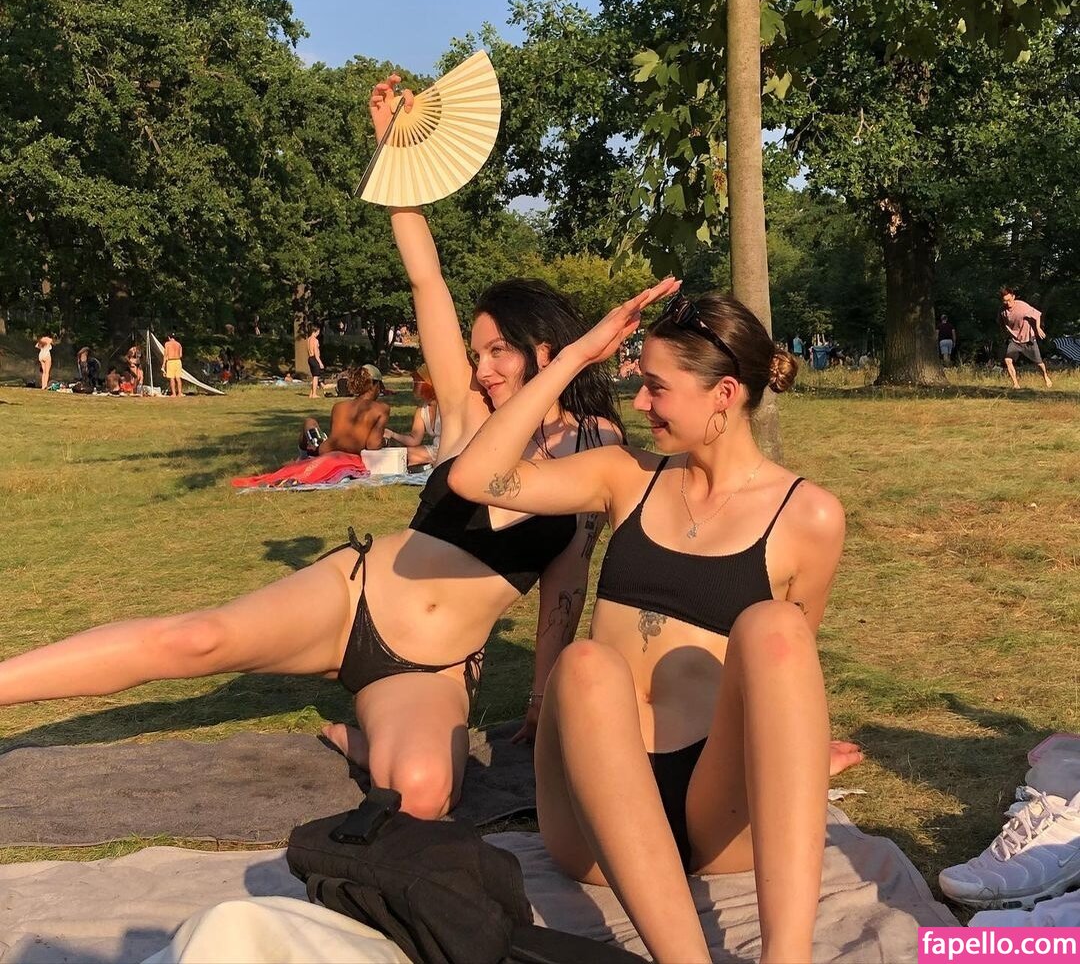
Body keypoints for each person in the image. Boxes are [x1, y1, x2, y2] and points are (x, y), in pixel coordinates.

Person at [0, 75, 625, 822]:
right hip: (353, 596)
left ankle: (357, 737)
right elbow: (426, 278)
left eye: (498, 352)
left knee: (424, 794)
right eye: (477, 349)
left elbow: (567, 581)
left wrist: (541, 695)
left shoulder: (597, 447)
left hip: (433, 665)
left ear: (545, 350)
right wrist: (394, 154)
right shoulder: (466, 406)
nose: (480, 366)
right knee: (196, 639)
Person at [449, 286, 860, 964]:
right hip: (593, 815)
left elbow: (784, 677)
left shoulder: (809, 515)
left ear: (724, 393)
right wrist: (575, 356)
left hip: (714, 809)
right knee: (584, 664)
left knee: (775, 628)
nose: (639, 402)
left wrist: (804, 757)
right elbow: (474, 478)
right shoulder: (625, 475)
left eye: (657, 387)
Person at [299, 365, 391, 458]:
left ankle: (302, 457)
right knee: (310, 422)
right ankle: (302, 459)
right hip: (348, 456)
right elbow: (373, 445)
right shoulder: (381, 409)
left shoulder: (338, 406)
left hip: (325, 452)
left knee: (309, 422)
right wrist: (385, 441)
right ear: (375, 385)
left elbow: (337, 437)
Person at [384, 364, 441, 469]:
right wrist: (392, 434)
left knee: (402, 457)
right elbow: (414, 440)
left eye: (418, 383)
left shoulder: (446, 408)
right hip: (433, 450)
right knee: (399, 455)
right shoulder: (421, 410)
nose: (415, 387)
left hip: (449, 451)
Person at [1000, 287, 1052, 389]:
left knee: (1039, 363)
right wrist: (1004, 333)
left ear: (1013, 297)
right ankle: (1016, 384)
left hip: (1028, 339)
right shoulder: (1002, 311)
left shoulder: (1022, 306)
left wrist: (1038, 328)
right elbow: (1001, 323)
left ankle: (1045, 376)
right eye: (1005, 301)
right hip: (1015, 340)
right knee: (1008, 360)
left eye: (1009, 300)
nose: (1007, 303)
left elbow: (1037, 314)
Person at [306, 325, 324, 399]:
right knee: (316, 377)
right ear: (314, 331)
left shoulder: (308, 339)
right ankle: (314, 394)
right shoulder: (315, 340)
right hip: (314, 358)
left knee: (314, 377)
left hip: (310, 358)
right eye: (318, 332)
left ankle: (311, 393)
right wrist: (320, 362)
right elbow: (316, 353)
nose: (318, 334)